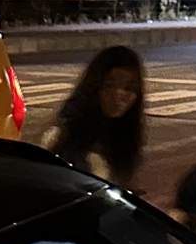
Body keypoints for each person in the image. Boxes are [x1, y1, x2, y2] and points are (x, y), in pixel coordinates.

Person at [47, 46, 144, 188]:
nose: (118, 94)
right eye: (110, 85)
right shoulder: (68, 135)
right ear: (95, 86)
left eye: (129, 88)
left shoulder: (124, 132)